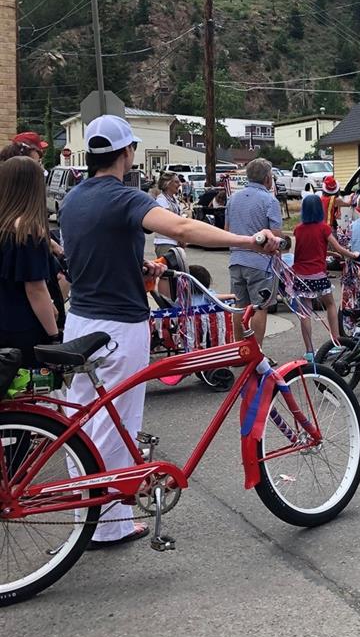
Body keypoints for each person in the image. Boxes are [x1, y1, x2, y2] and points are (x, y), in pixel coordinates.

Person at [59, 114, 280, 547]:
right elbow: (180, 228)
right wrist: (249, 241)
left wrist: (136, 266)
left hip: (79, 318)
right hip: (119, 325)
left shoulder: (72, 199)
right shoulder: (125, 197)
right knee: (118, 421)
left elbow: (86, 255)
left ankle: (85, 512)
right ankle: (108, 526)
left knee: (81, 419)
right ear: (127, 153)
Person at [0, 156, 60, 364]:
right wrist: (54, 335)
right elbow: (35, 289)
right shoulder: (28, 230)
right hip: (23, 328)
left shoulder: (3, 225)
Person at [225, 158, 284, 348]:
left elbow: (227, 230)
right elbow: (275, 237)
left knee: (239, 307)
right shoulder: (269, 200)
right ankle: (256, 354)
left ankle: (240, 349)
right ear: (268, 178)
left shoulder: (232, 198)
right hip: (260, 262)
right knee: (260, 307)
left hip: (236, 259)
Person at [292, 193, 359, 359]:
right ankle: (336, 342)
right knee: (330, 304)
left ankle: (309, 351)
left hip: (301, 274)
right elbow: (337, 248)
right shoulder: (323, 228)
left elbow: (298, 251)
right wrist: (353, 255)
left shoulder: (298, 229)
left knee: (305, 312)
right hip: (318, 274)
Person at [153, 171, 184, 258]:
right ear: (167, 184)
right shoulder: (161, 200)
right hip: (165, 242)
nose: (180, 184)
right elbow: (167, 222)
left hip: (174, 241)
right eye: (176, 182)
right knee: (168, 270)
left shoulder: (174, 199)